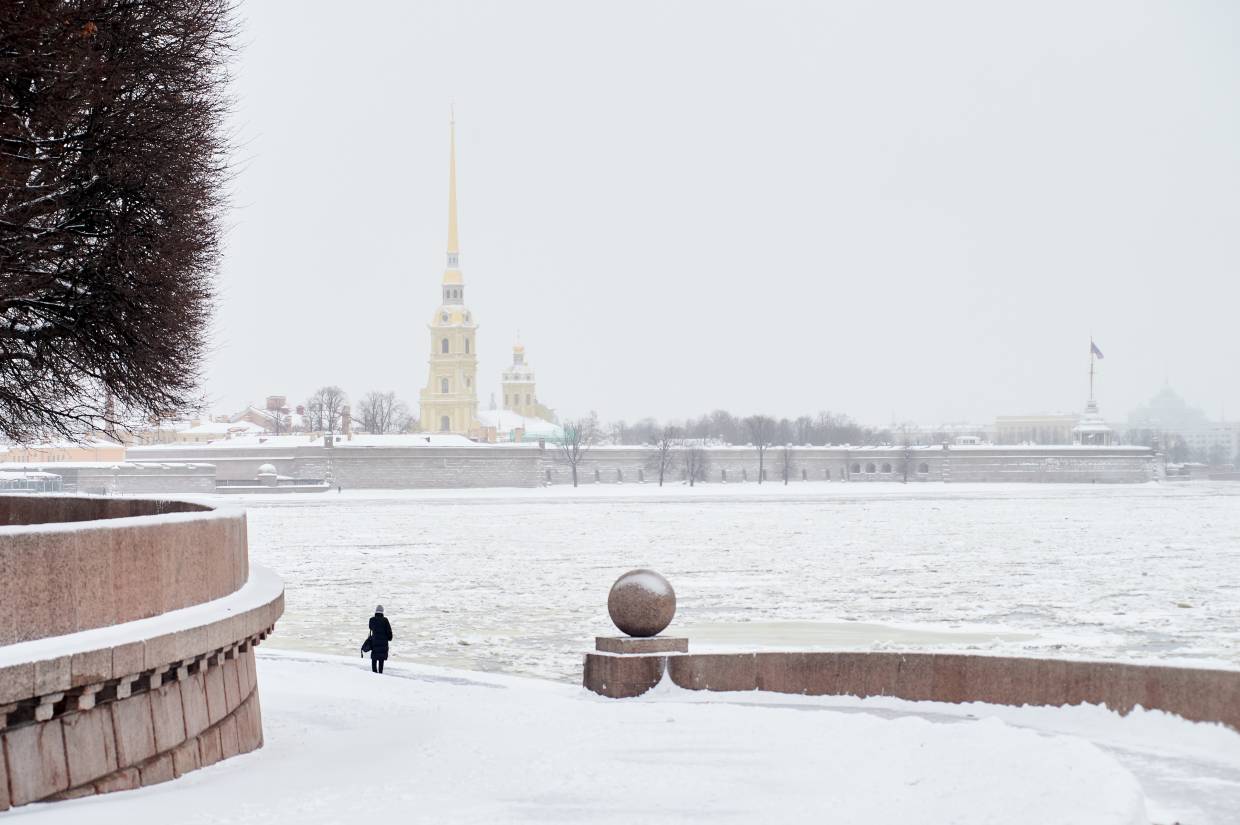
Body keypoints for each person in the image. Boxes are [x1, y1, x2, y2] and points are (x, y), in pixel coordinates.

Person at [367, 604, 393, 674]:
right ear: (382, 612)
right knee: (381, 658)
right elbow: (389, 631)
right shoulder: (385, 620)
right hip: (383, 642)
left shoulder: (372, 620)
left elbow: (370, 627)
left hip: (374, 641)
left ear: (376, 611)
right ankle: (380, 673)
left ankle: (374, 673)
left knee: (374, 657)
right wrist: (390, 638)